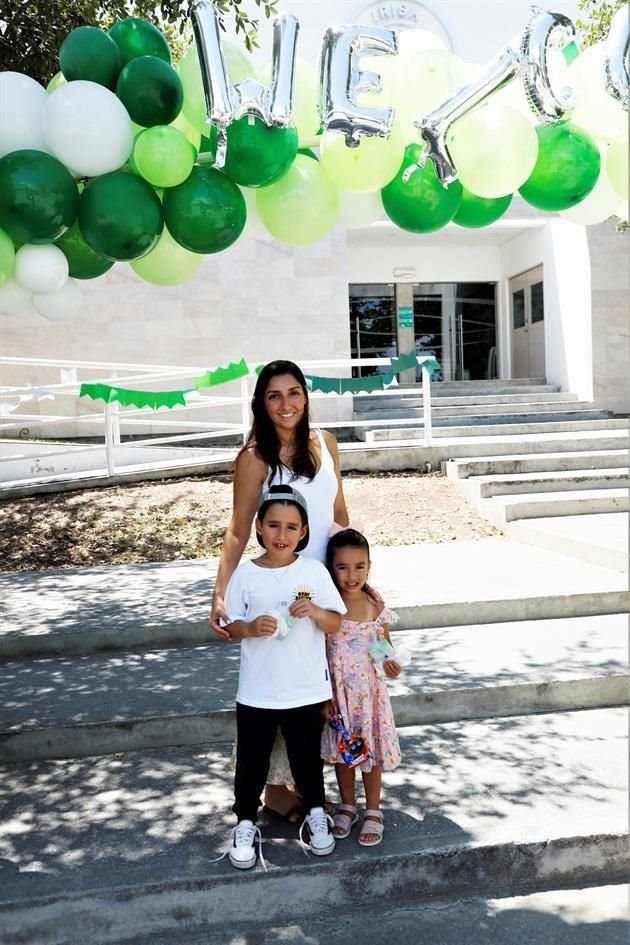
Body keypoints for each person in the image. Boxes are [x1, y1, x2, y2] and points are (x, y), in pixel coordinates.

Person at [209, 359, 350, 822]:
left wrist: (356, 580)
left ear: (306, 396)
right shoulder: (254, 457)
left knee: (315, 694)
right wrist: (220, 593)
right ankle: (274, 793)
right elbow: (236, 530)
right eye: (274, 395)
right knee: (274, 690)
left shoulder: (326, 444)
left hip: (324, 591)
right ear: (261, 403)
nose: (285, 404)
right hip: (276, 590)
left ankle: (307, 787)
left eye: (293, 393)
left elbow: (340, 517)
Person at [223, 484, 345, 869]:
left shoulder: (313, 572)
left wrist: (315, 613)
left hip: (305, 688)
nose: (282, 535)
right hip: (258, 690)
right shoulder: (245, 574)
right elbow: (230, 626)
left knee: (306, 760)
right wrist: (249, 627)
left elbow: (336, 621)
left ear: (304, 532)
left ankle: (316, 815)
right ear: (259, 527)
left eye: (292, 527)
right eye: (273, 525)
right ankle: (245, 821)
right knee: (251, 761)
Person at [321, 527, 402, 847]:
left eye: (359, 566)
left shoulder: (373, 602)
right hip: (340, 695)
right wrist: (324, 697)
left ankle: (372, 809)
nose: (351, 575)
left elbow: (384, 647)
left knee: (371, 754)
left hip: (370, 696)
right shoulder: (328, 605)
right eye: (342, 567)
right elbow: (319, 653)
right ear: (331, 569)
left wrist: (391, 664)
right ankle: (347, 805)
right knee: (345, 754)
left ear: (369, 566)